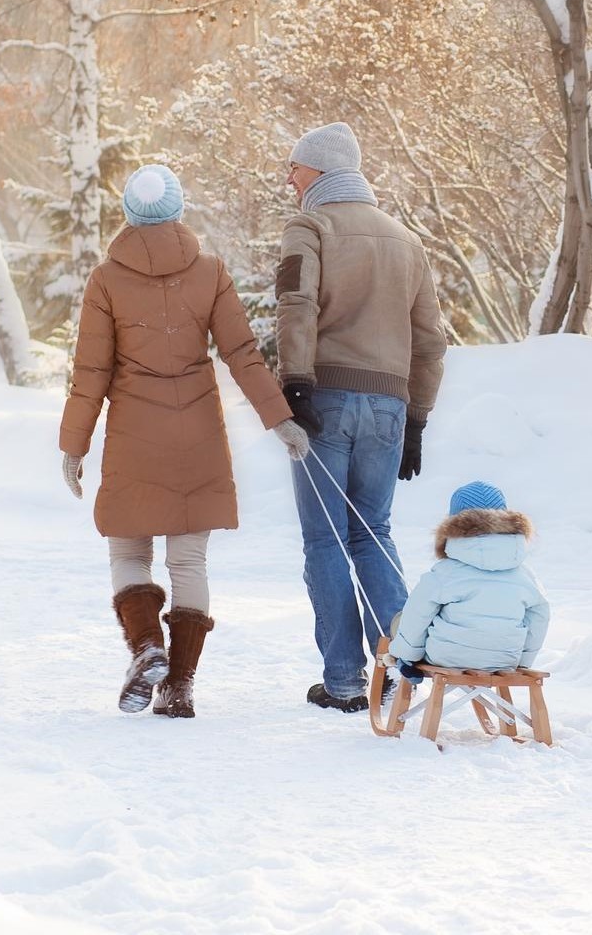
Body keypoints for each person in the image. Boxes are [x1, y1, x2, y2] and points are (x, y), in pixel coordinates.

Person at [61, 163, 311, 719]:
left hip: (133, 433)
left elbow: (91, 371)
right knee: (189, 558)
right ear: (177, 208)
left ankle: (147, 645)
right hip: (198, 431)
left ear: (129, 212)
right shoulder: (210, 271)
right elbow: (242, 354)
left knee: (129, 549)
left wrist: (73, 444)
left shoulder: (106, 279)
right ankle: (179, 684)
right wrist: (280, 420)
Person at [276, 122, 448, 712]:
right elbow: (430, 341)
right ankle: (403, 667)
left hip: (324, 398)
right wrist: (417, 419)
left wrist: (294, 382)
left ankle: (346, 681)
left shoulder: (309, 226)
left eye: (294, 167)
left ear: (320, 171)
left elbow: (295, 303)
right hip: (389, 406)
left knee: (325, 536)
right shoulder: (406, 240)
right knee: (372, 531)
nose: (289, 177)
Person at [387, 481, 550, 675]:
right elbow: (540, 615)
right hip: (504, 658)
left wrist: (407, 655)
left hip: (446, 656)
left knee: (406, 618)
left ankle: (406, 663)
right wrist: (523, 661)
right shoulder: (525, 575)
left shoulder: (445, 571)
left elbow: (418, 613)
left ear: (453, 523)